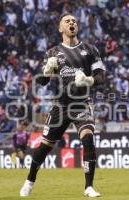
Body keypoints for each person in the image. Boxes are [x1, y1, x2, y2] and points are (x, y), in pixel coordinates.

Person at [20, 13, 105, 197]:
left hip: (82, 103)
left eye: (74, 20)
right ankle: (29, 180)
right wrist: (47, 70)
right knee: (45, 147)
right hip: (61, 105)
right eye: (67, 21)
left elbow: (101, 76)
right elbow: (42, 82)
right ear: (61, 28)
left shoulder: (90, 50)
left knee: (88, 136)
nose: (72, 22)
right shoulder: (52, 53)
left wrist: (89, 80)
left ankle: (88, 187)